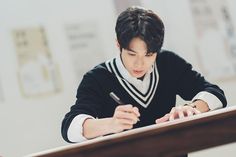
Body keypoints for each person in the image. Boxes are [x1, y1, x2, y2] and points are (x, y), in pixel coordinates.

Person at [61, 6, 227, 145]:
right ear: (118, 45)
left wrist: (191, 109)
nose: (139, 64)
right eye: (132, 54)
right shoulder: (98, 78)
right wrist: (111, 124)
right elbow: (69, 128)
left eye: (149, 55)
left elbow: (215, 94)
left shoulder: (168, 63)